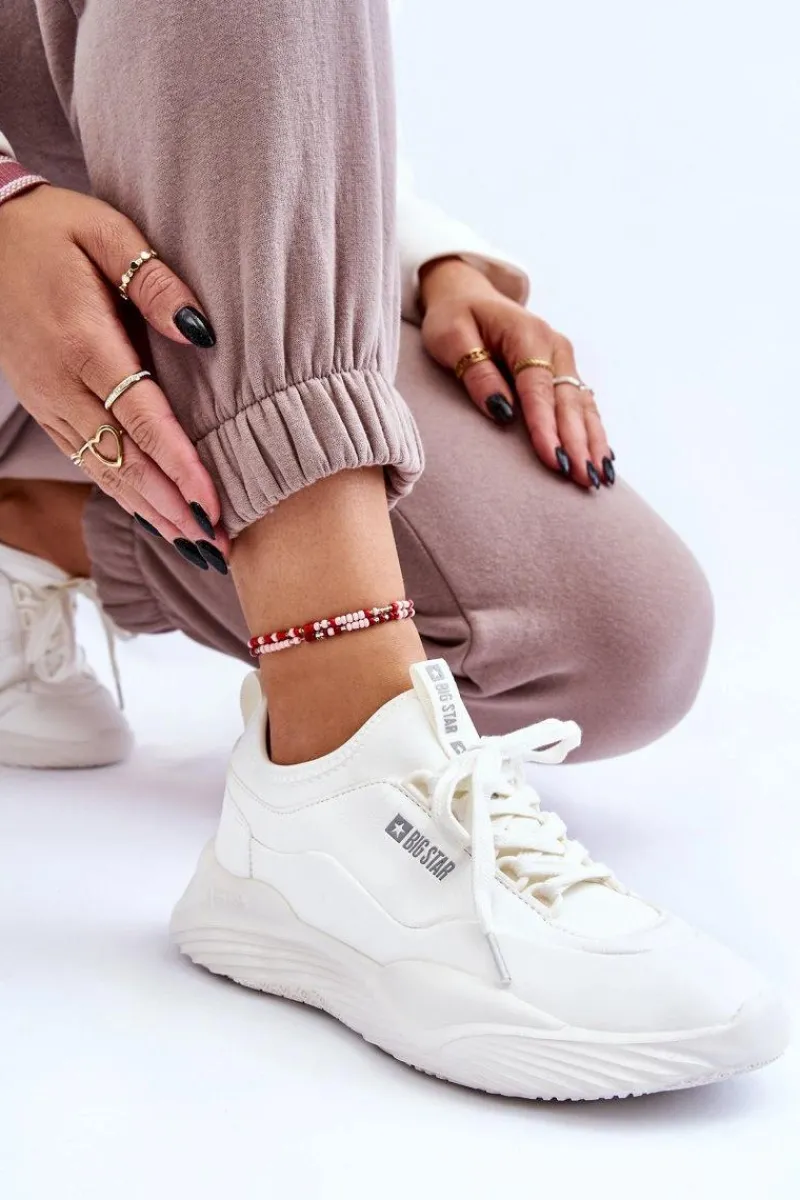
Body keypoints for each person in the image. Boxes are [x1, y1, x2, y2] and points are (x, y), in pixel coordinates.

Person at [0, 0, 788, 1101]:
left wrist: (419, 257)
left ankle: (36, 527)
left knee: (615, 633)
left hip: (128, 267)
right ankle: (335, 764)